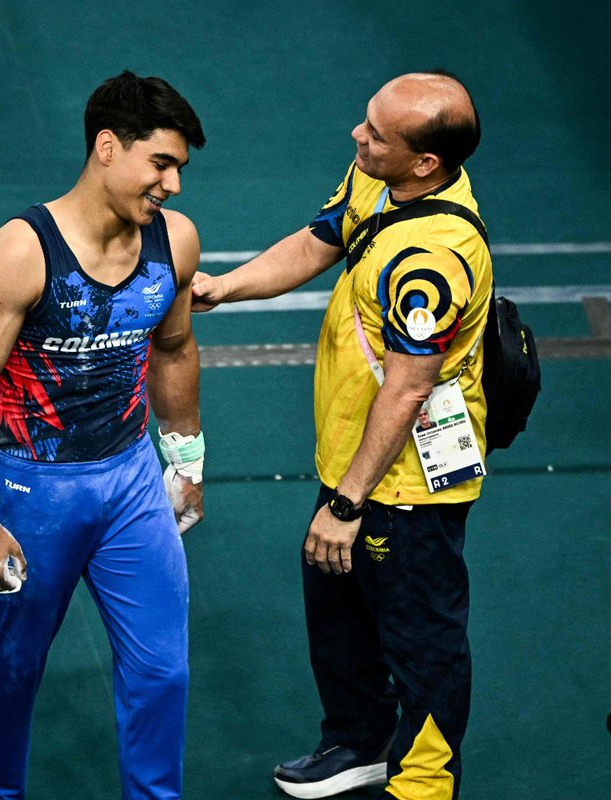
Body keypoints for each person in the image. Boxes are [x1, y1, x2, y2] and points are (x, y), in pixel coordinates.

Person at [191, 71, 490, 799]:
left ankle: (421, 785)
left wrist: (347, 504)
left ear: (426, 162)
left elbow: (410, 385)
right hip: (353, 459)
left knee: (421, 639)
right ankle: (357, 742)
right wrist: (223, 287)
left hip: (403, 485)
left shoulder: (432, 260)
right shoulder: (378, 180)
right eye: (366, 121)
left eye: (377, 134)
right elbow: (321, 239)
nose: (358, 137)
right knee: (340, 614)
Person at [0, 71, 206, 799]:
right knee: (15, 666)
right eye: (162, 163)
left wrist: (185, 460)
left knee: (163, 668)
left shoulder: (174, 242)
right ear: (107, 147)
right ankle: (2, 795)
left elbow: (176, 349)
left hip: (129, 487)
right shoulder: (22, 251)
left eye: (181, 168)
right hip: (37, 493)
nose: (174, 185)